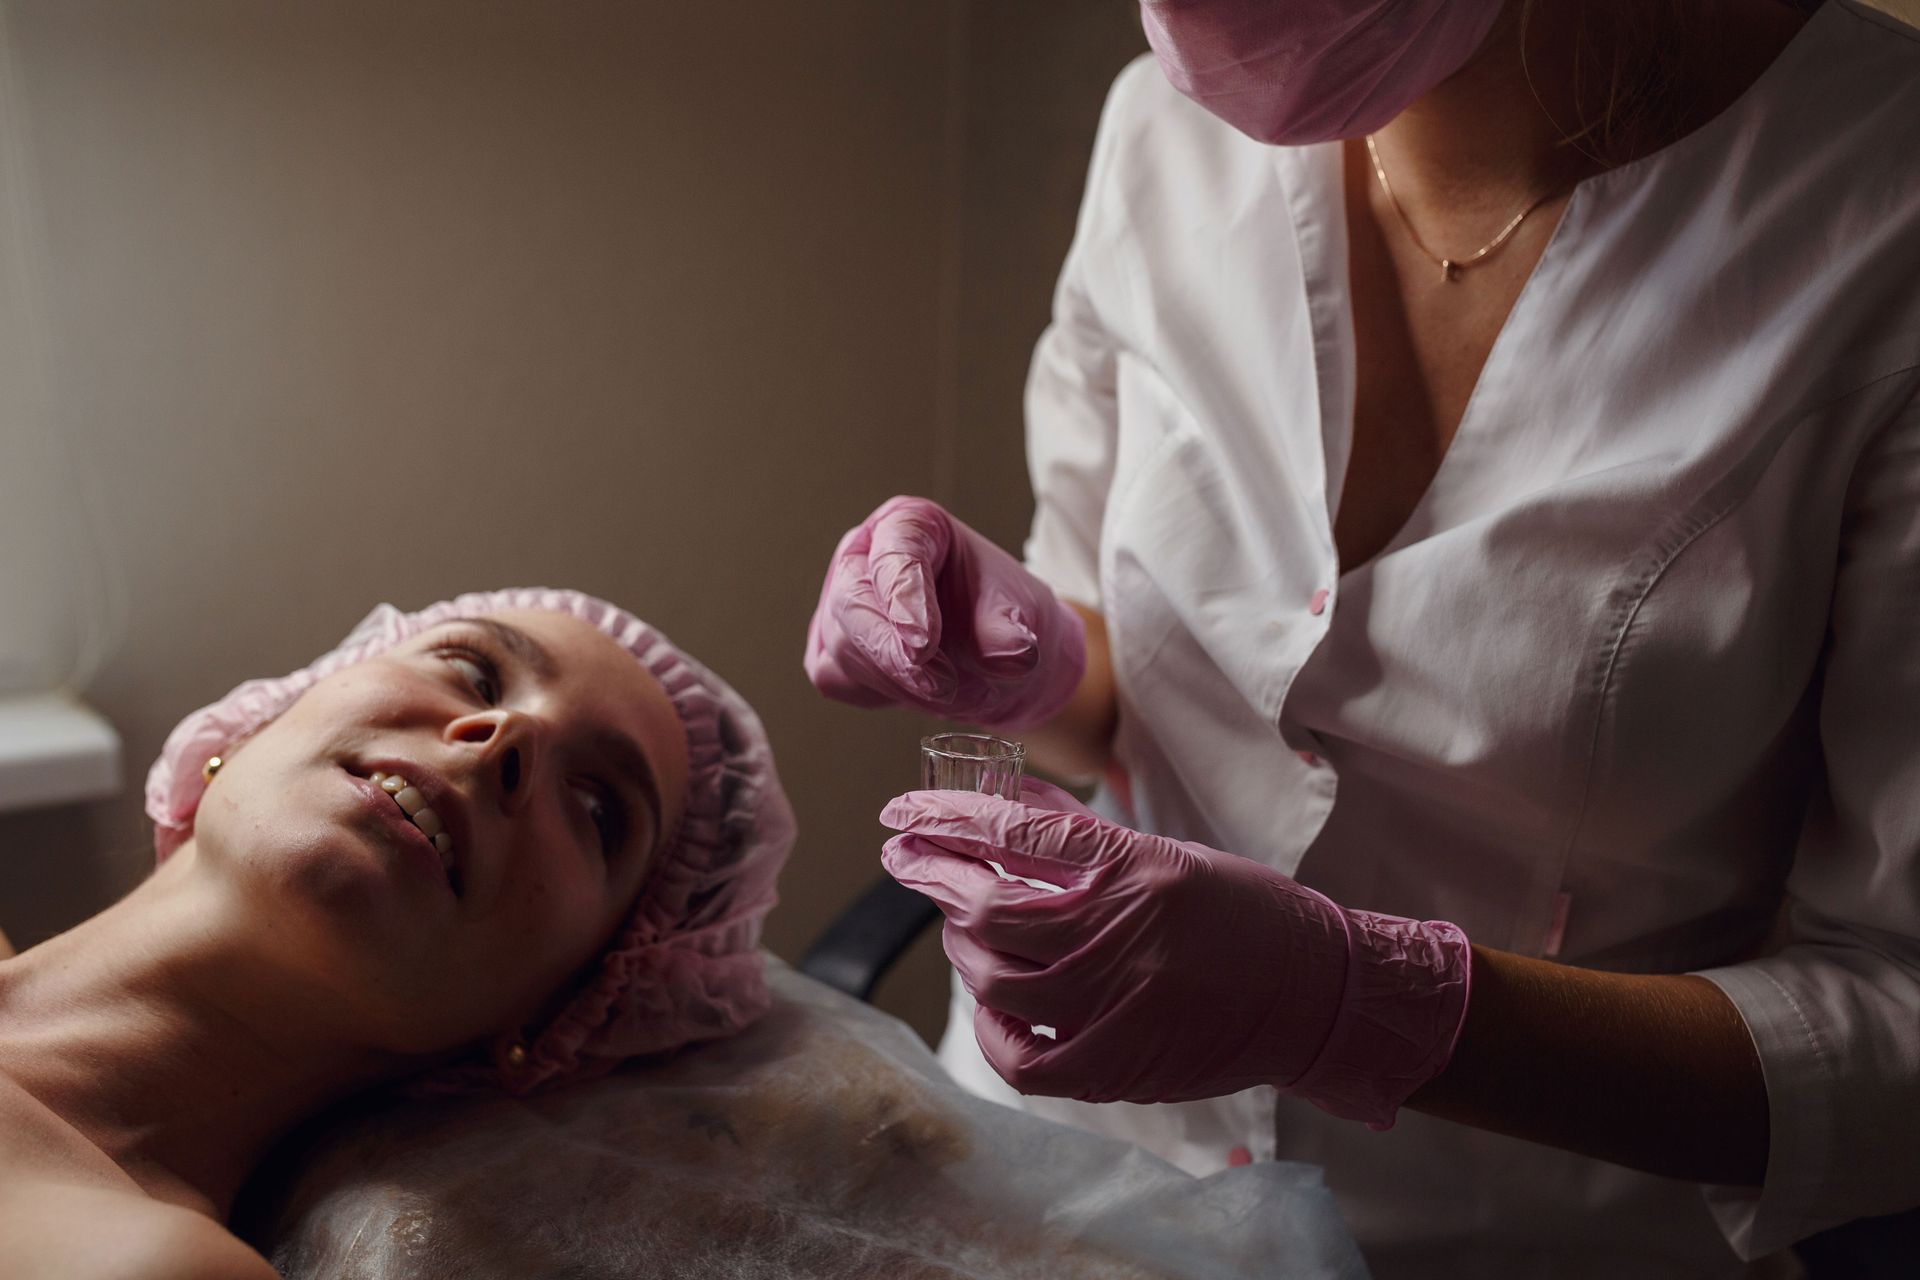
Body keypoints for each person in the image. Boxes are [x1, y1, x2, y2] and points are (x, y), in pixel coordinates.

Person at [805, 1, 1920, 1275]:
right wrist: (1030, 656)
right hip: (1046, 1176)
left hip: (1515, 1239)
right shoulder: (1164, 132)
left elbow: (1900, 1032)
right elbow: (1123, 710)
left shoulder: (1885, 216)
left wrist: (1371, 1009)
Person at [0, 587, 792, 1279]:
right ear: (254, 720)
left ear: (558, 1018)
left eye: (597, 811)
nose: (511, 735)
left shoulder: (140, 1265)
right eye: (474, 671)